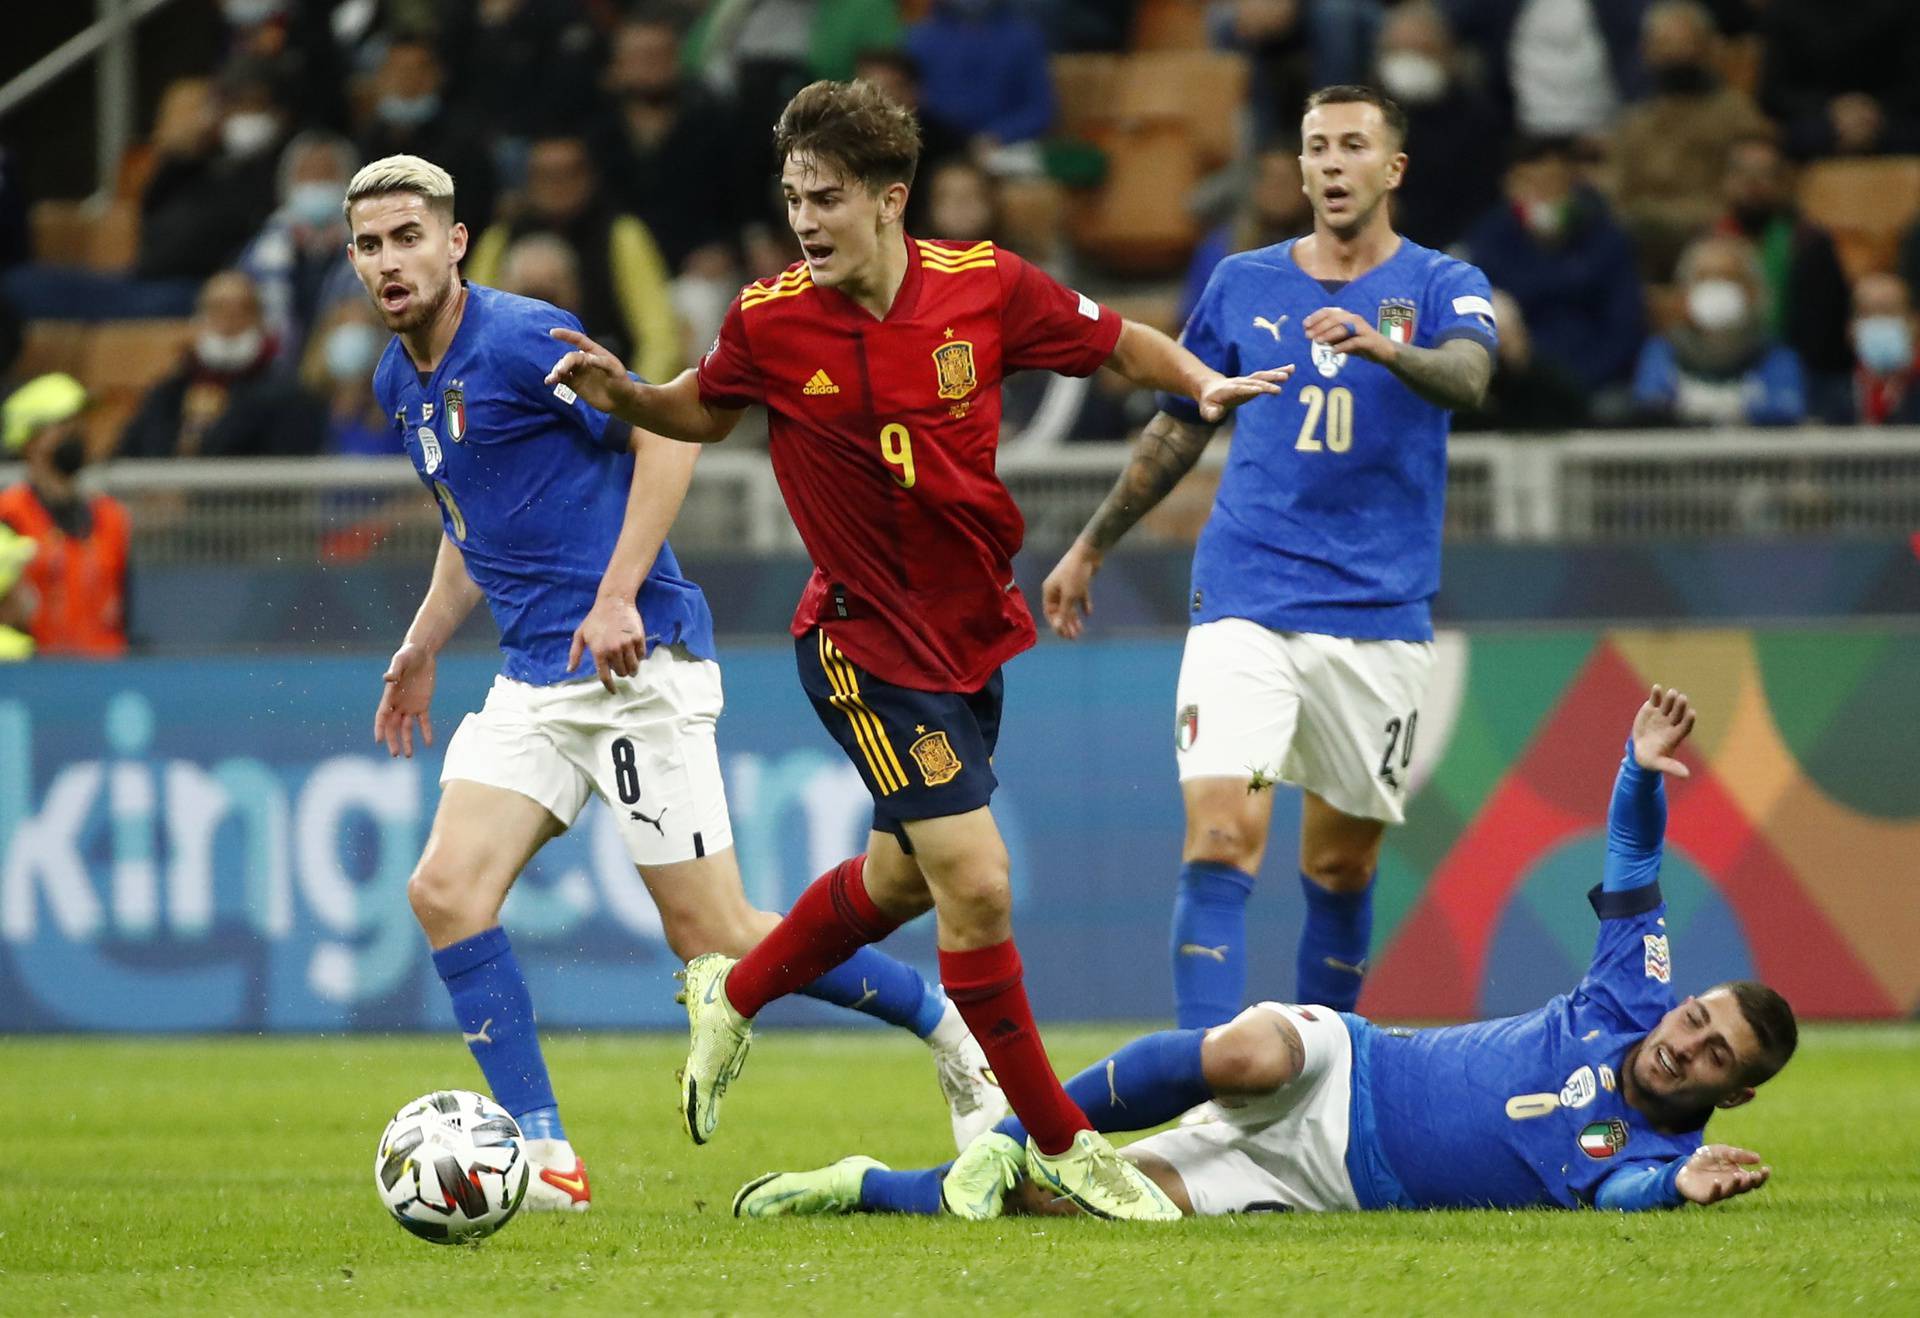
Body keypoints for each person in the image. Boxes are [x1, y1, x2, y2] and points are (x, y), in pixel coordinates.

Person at [543, 80, 1288, 1220]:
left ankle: (733, 991)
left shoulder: (983, 285)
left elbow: (1119, 342)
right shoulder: (770, 318)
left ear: (891, 201)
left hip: (968, 634)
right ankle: (1059, 1144)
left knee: (901, 878)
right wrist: (628, 397)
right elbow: (702, 410)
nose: (804, 220)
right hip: (857, 642)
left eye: (826, 198)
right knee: (977, 886)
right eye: (792, 197)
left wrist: (1199, 380)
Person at [345, 153, 1007, 1213]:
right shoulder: (399, 380)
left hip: (634, 665)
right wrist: (424, 642)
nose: (391, 261)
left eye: (409, 237)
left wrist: (614, 596)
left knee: (720, 937)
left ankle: (943, 1021)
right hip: (533, 679)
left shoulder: (521, 339)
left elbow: (668, 434)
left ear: (456, 242)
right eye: (371, 245)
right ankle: (547, 1155)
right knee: (443, 891)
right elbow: (476, 520)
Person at [736, 686, 1801, 1222]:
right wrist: (1640, 764)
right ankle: (1016, 1128)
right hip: (1354, 1063)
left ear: (1734, 1096)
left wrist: (1681, 1191)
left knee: (1069, 1208)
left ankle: (865, 1185)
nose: (1684, 1042)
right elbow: (1632, 850)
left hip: (1317, 1178)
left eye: (1713, 1057)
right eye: (1696, 1019)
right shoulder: (1635, 990)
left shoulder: (1657, 1160)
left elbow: (1624, 1199)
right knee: (1248, 1048)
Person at [1042, 86, 1494, 1035]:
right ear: (1299, 169)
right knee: (1220, 837)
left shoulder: (1446, 283)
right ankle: (1213, 1082)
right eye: (1316, 147)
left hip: (1377, 617)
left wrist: (1385, 349)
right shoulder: (1244, 285)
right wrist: (1090, 545)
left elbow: (1470, 377)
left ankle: (1316, 1099)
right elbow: (1180, 425)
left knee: (1339, 868)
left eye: (1352, 146)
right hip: (1245, 600)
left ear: (1392, 168)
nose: (1331, 163)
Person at [465, 135, 683, 384]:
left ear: (590, 176)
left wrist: (634, 399)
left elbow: (659, 338)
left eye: (569, 173)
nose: (557, 186)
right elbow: (470, 324)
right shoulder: (501, 238)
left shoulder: (621, 235)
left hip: (607, 381)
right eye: (546, 175)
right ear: (528, 181)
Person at [1464, 136, 1642, 404]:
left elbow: (1624, 326)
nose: (1543, 196)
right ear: (1511, 187)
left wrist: (1579, 383)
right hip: (1519, 381)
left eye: (1553, 184)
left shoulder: (1606, 239)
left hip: (1594, 380)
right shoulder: (1490, 240)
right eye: (1533, 185)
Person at [1610, 0, 1771, 280]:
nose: (1677, 54)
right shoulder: (1634, 122)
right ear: (1647, 51)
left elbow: (1754, 184)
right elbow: (1618, 196)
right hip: (1645, 242)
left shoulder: (1736, 114)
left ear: (1708, 48)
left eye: (1686, 44)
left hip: (1720, 240)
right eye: (1666, 45)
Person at [1712, 134, 1852, 420]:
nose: (1753, 184)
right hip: (1722, 371)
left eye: (1764, 175)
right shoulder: (1709, 245)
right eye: (1743, 173)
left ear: (1783, 183)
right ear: (1726, 181)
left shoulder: (1810, 244)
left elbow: (1825, 333)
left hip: (1805, 373)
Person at [118, 269, 327, 459]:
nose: (228, 322)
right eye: (217, 309)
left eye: (242, 310)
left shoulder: (290, 396)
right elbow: (125, 458)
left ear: (259, 319)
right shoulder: (168, 392)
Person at [0, 374, 130, 656]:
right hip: (33, 682)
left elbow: (126, 616)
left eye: (80, 424)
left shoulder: (112, 517)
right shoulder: (7, 515)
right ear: (30, 441)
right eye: (64, 425)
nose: (78, 434)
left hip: (107, 679)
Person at [1630, 233, 1805, 427]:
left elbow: (1785, 411)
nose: (1716, 287)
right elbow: (1650, 405)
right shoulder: (1662, 352)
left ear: (1752, 291)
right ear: (1685, 293)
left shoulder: (1776, 356)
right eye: (1704, 278)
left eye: (1728, 277)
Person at [236, 131, 365, 367]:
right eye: (307, 174)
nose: (316, 182)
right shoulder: (263, 250)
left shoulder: (372, 245)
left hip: (340, 373)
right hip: (272, 368)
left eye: (327, 174)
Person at [1845, 272, 1920, 426]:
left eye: (1888, 312)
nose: (1879, 321)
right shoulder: (1836, 392)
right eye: (1868, 313)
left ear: (1914, 323)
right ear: (1851, 328)